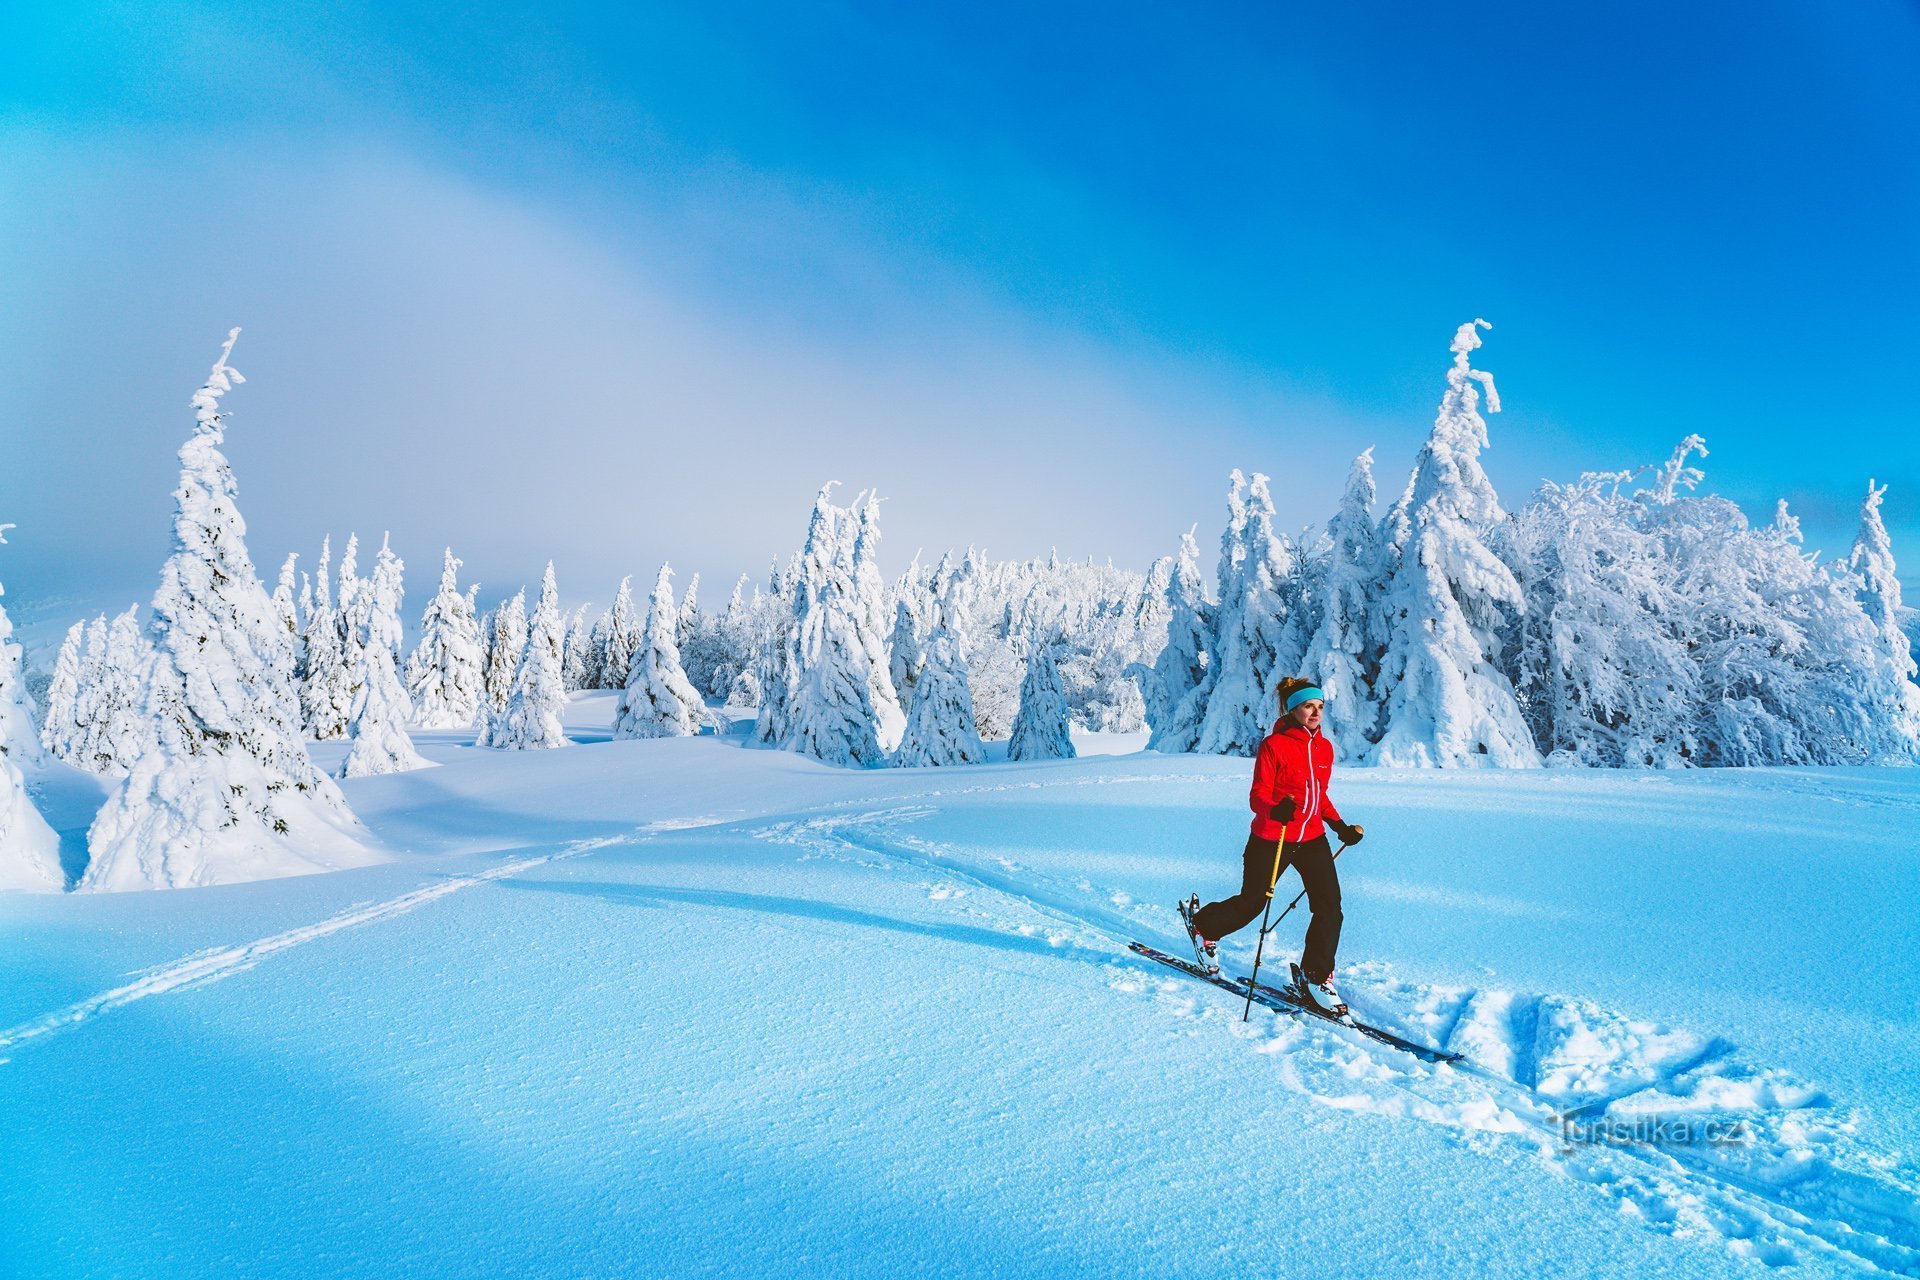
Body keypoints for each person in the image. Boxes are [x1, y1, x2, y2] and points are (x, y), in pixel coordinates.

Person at [1180, 675, 1363, 1017]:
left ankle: (1315, 976)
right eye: (1309, 706)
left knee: (1330, 908)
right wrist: (1275, 810)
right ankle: (1204, 926)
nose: (1315, 713)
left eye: (1320, 707)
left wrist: (1339, 826)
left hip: (1311, 839)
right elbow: (1257, 796)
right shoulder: (1273, 746)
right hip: (1271, 837)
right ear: (1293, 709)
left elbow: (1319, 797)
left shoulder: (1324, 748)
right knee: (1251, 903)